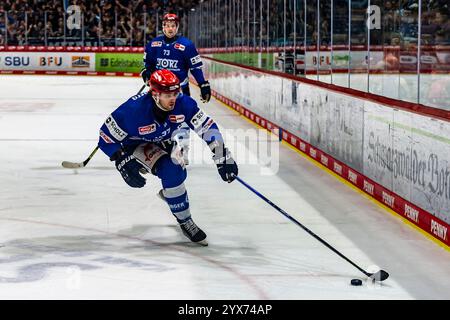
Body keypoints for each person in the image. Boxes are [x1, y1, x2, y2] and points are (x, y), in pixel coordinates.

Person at [97, 69, 238, 246]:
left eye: (175, 92)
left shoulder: (184, 103)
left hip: (163, 140)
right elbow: (105, 138)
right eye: (167, 94)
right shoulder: (131, 111)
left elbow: (207, 127)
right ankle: (186, 221)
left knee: (178, 175)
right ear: (154, 94)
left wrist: (222, 154)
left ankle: (171, 195)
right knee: (171, 173)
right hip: (134, 144)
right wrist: (121, 160)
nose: (173, 98)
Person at [140, 13, 211, 164]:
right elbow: (148, 65)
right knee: (154, 120)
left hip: (180, 92)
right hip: (157, 92)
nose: (170, 28)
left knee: (182, 121)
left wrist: (203, 84)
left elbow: (195, 67)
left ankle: (183, 150)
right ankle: (156, 151)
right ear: (163, 27)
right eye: (167, 25)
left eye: (173, 26)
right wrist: (146, 72)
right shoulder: (154, 44)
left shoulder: (186, 45)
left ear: (177, 27)